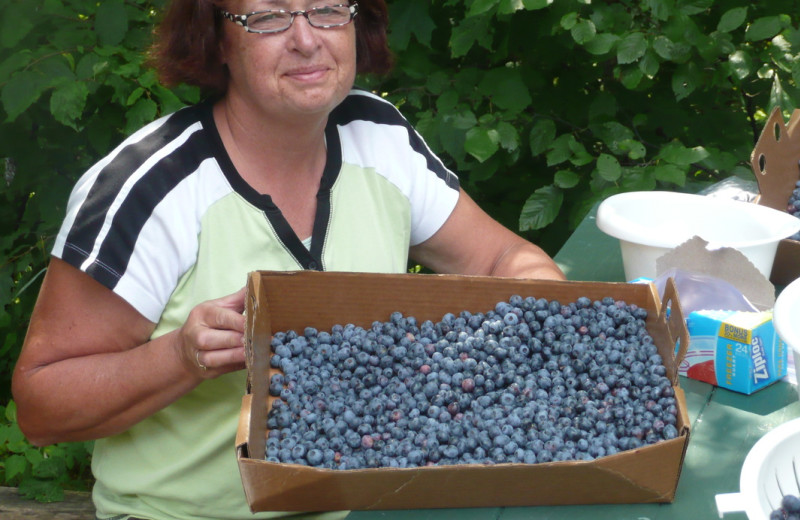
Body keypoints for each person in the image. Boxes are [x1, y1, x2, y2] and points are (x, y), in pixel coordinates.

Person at [12, 0, 566, 519]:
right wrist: (181, 357)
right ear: (219, 41)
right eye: (269, 18)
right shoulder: (150, 188)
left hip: (362, 503)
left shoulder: (378, 137)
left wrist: (548, 317)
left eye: (327, 11)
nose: (306, 40)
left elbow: (507, 258)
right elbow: (41, 406)